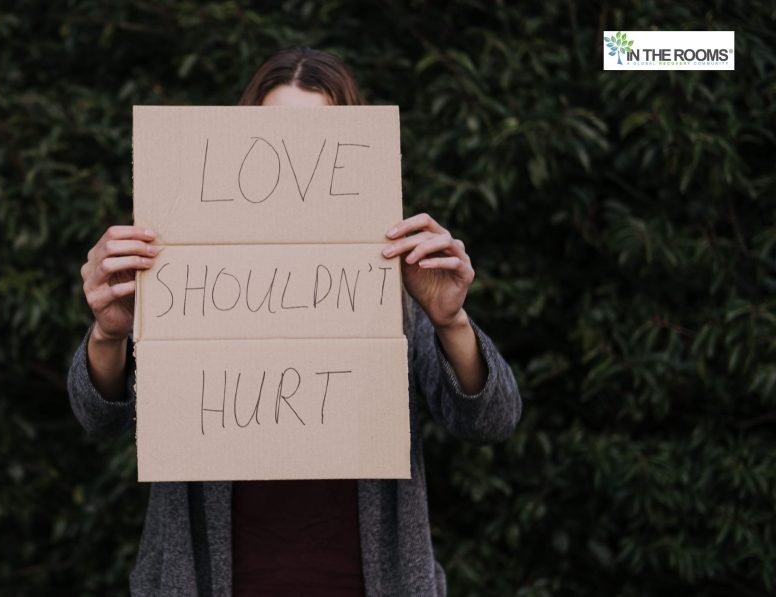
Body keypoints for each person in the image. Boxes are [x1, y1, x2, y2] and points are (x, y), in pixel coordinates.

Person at [68, 47, 522, 597]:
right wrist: (109, 333)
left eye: (317, 141)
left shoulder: (389, 272)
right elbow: (99, 418)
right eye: (273, 136)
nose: (291, 161)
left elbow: (492, 420)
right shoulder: (179, 264)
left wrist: (451, 321)